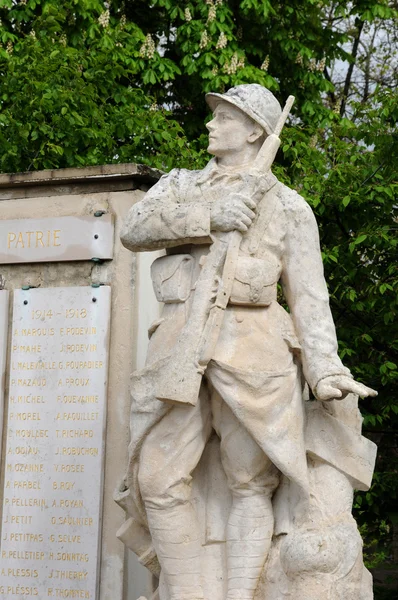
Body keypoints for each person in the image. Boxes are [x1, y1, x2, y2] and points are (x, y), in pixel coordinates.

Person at [118, 84, 376, 600]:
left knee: (250, 482)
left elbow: (308, 297)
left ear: (256, 130)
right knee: (157, 477)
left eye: (225, 118)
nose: (211, 125)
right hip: (179, 346)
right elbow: (135, 227)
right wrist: (208, 217)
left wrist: (324, 368)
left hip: (256, 353)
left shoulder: (288, 206)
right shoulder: (181, 185)